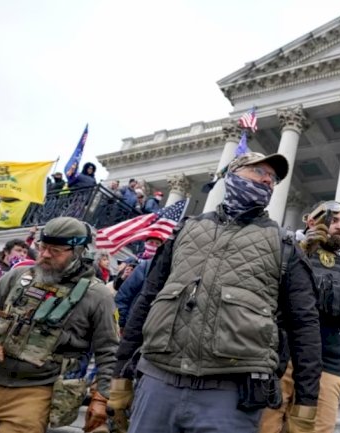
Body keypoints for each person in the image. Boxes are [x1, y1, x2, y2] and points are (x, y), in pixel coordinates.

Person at [109, 152, 321, 433]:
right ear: (232, 175)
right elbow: (147, 299)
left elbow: (304, 325)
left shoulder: (284, 246)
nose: (268, 180)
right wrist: (120, 373)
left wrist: (306, 402)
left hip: (231, 395)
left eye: (273, 177)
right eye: (259, 171)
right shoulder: (184, 231)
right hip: (158, 382)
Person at [0, 217, 119, 433]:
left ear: (78, 252)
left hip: (39, 388)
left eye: (55, 250)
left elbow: (109, 351)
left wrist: (101, 397)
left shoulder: (98, 295)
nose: (45, 254)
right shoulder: (18, 276)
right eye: (42, 247)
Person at [258, 200, 340, 433]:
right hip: (282, 361)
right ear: (311, 221)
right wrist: (302, 252)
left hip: (329, 367)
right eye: (333, 219)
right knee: (266, 427)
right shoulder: (288, 251)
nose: (339, 226)